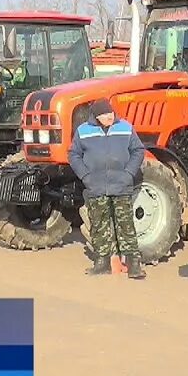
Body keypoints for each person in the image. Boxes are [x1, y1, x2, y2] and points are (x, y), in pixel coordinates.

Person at [68, 99, 147, 279]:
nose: (109, 117)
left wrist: (128, 173)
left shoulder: (125, 127)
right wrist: (85, 176)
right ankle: (101, 262)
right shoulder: (83, 131)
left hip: (121, 185)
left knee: (126, 225)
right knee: (98, 225)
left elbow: (138, 150)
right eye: (105, 115)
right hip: (95, 186)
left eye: (110, 113)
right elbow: (73, 154)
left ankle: (134, 264)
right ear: (96, 116)